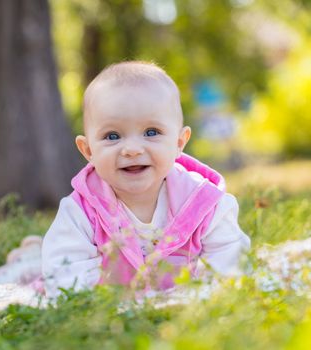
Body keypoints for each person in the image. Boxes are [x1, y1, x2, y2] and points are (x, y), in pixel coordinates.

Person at [41, 61, 250, 298]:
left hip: (178, 311)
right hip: (115, 313)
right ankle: (28, 252)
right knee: (29, 269)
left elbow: (230, 260)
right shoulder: (81, 211)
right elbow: (64, 275)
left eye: (151, 132)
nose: (131, 149)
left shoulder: (203, 203)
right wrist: (106, 301)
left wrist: (204, 296)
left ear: (179, 142)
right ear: (88, 151)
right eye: (112, 136)